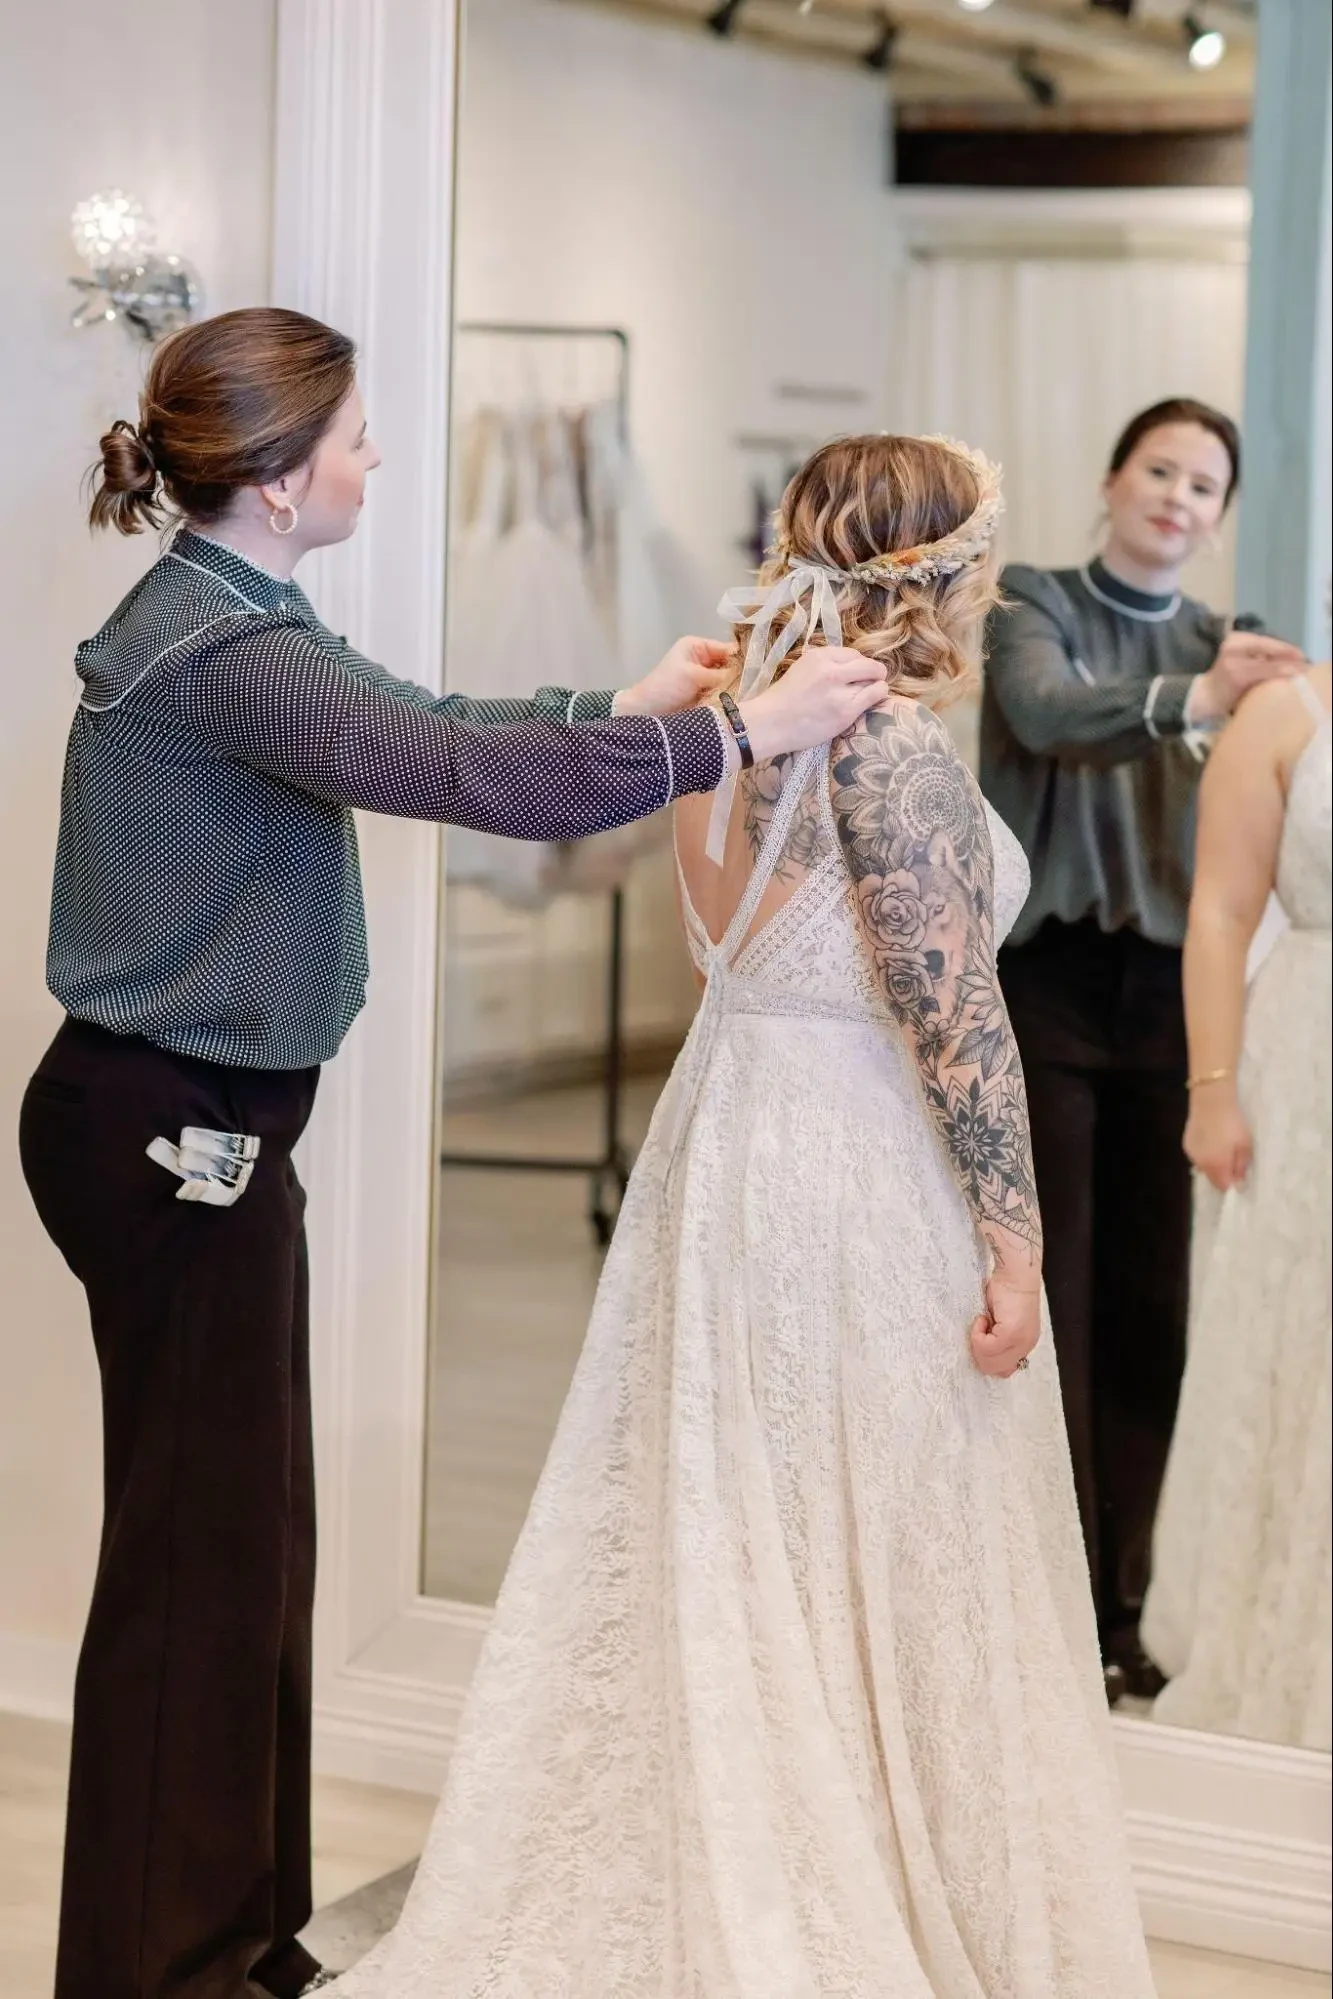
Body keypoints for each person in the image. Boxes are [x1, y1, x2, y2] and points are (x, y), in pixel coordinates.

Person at [17, 307, 884, 1999]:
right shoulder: (222, 649)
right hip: (165, 1127)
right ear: (275, 476)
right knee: (200, 1566)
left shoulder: (242, 610)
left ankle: (234, 1934)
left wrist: (619, 703)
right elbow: (457, 769)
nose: (374, 458)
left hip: (204, 1122)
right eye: (350, 437)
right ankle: (162, 1963)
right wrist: (736, 735)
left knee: (249, 1540)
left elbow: (420, 711)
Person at [328, 435, 1156, 1998]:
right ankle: (826, 1859)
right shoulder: (887, 743)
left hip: (728, 1136)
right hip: (851, 1155)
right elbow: (950, 1013)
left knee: (746, 1511)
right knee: (861, 1526)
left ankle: (751, 1812)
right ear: (940, 572)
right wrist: (1015, 1232)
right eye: (980, 555)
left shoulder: (731, 719)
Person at [980, 398, 1307, 1703]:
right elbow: (1048, 715)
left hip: (1173, 997)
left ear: (1219, 515)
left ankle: (1131, 1594)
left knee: (1153, 1301)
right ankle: (1041, 1585)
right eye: (1160, 469)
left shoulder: (1227, 647)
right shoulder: (1031, 601)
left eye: (1204, 484)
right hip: (1048, 984)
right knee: (1051, 1284)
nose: (1178, 496)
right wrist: (1196, 697)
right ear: (1113, 477)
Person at [1142, 662, 1331, 1749]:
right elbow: (1217, 910)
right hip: (1303, 1060)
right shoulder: (1283, 713)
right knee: (1288, 1341)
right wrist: (1211, 1091)